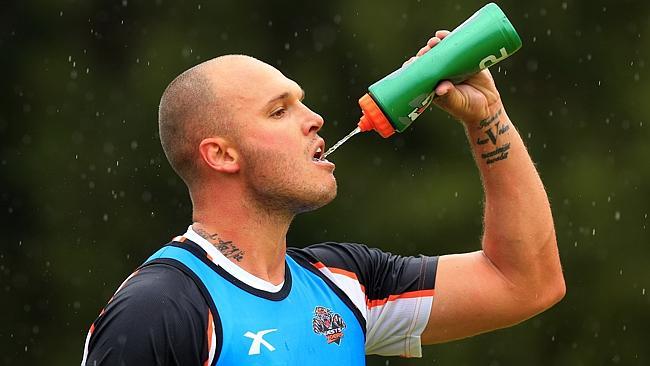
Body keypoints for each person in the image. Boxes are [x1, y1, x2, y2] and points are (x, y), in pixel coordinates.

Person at [81, 30, 565, 365]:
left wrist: (487, 117)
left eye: (302, 102)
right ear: (221, 154)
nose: (314, 119)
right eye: (278, 111)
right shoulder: (160, 309)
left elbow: (525, 282)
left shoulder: (345, 284)